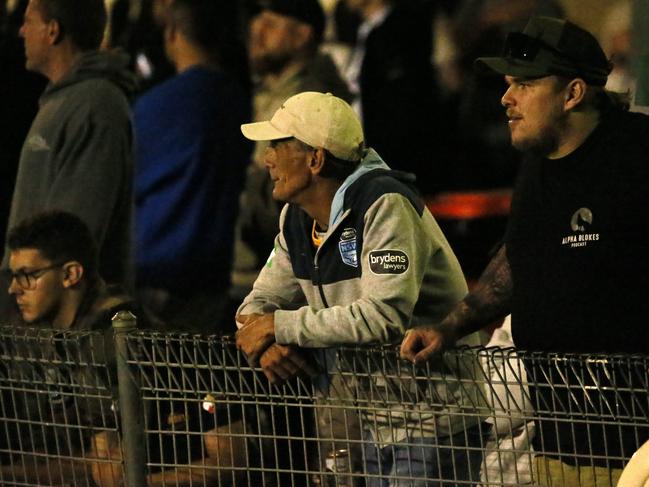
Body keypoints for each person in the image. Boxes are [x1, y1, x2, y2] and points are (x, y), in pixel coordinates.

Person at [401, 16, 649, 487]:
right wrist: (449, 327)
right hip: (560, 440)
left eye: (524, 85)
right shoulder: (538, 165)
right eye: (508, 84)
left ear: (573, 93)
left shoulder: (636, 156)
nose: (505, 99)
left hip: (638, 446)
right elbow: (520, 256)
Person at [235, 91, 486, 486]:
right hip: (369, 425)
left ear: (315, 159)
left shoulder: (386, 204)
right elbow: (257, 305)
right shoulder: (295, 220)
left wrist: (278, 327)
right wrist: (265, 340)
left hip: (435, 424)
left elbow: (381, 317)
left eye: (277, 146)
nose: (267, 160)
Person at [133, 0, 251, 333]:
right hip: (215, 269)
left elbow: (128, 179)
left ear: (172, 34)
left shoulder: (156, 105)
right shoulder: (239, 99)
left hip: (158, 265)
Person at [3, 0, 136, 289]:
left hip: (67, 324)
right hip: (38, 315)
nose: (20, 31)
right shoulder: (64, 100)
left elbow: (76, 232)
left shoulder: (96, 106)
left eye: (28, 21)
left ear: (53, 31)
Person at [0, 210, 139, 485]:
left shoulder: (109, 338)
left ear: (71, 274)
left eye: (28, 275)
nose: (14, 289)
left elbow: (107, 469)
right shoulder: (54, 334)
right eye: (13, 276)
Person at [234, 0, 352, 291]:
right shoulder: (264, 87)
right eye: (256, 21)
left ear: (302, 35)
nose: (255, 30)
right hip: (250, 265)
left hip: (282, 271)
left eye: (271, 24)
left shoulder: (315, 102)